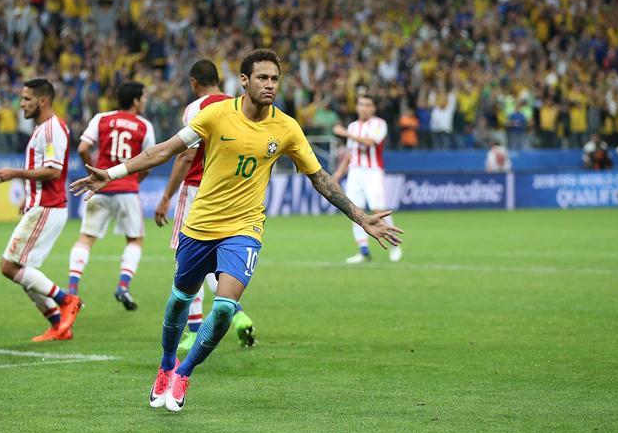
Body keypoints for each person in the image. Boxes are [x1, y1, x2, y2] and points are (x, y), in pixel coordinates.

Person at [70, 49, 403, 413]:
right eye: (262, 78)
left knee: (225, 308)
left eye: (275, 79)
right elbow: (164, 150)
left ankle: (184, 372)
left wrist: (361, 217)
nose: (270, 85)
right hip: (199, 226)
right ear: (244, 80)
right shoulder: (215, 114)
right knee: (180, 301)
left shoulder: (287, 127)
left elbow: (320, 177)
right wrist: (113, 173)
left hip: (244, 229)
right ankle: (165, 364)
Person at [154, 59, 255, 353]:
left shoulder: (197, 107)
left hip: (198, 188)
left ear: (193, 82)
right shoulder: (239, 104)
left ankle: (194, 329)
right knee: (216, 260)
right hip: (232, 192)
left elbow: (185, 156)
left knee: (189, 259)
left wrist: (166, 196)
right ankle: (236, 314)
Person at [0, 78, 80, 342]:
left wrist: (14, 173)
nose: (21, 104)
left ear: (43, 101)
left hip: (47, 207)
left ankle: (67, 300)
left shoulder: (52, 130)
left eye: (26, 99)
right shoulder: (43, 129)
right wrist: (27, 195)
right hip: (41, 204)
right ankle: (59, 325)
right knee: (25, 271)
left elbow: (53, 171)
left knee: (9, 266)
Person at [68, 82, 155, 311]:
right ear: (135, 101)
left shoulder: (101, 118)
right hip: (126, 189)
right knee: (134, 240)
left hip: (100, 188)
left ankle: (72, 291)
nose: (145, 102)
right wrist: (135, 180)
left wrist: (93, 176)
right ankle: (123, 286)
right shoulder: (144, 126)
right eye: (143, 98)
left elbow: (82, 148)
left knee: (86, 238)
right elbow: (150, 160)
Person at [331, 94, 403, 263]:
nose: (363, 107)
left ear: (373, 108)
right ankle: (363, 250)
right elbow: (350, 154)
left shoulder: (379, 124)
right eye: (361, 104)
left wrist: (345, 134)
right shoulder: (353, 126)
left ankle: (394, 245)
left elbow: (370, 142)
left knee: (379, 211)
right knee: (355, 211)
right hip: (355, 173)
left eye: (367, 104)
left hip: (372, 172)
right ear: (356, 107)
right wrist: (338, 174)